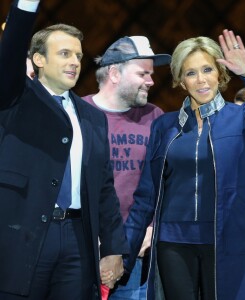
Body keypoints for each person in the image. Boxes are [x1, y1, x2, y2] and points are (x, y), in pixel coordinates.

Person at [123, 30, 245, 300]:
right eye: (190, 73)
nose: (201, 80)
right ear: (180, 80)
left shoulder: (244, 118)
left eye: (207, 69)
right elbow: (146, 196)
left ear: (220, 75)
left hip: (227, 240)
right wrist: (123, 254)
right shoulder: (164, 126)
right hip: (173, 244)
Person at [0, 1, 128, 299]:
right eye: (65, 53)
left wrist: (112, 247)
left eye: (79, 56)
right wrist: (26, 6)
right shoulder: (14, 97)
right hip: (23, 234)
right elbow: (10, 52)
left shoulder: (93, 117)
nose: (75, 61)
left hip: (76, 240)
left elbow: (104, 188)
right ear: (38, 60)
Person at [82, 36, 171, 299]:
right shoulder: (79, 114)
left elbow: (165, 179)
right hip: (85, 249)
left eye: (151, 74)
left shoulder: (155, 117)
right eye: (143, 73)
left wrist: (153, 227)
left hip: (135, 251)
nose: (152, 81)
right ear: (114, 73)